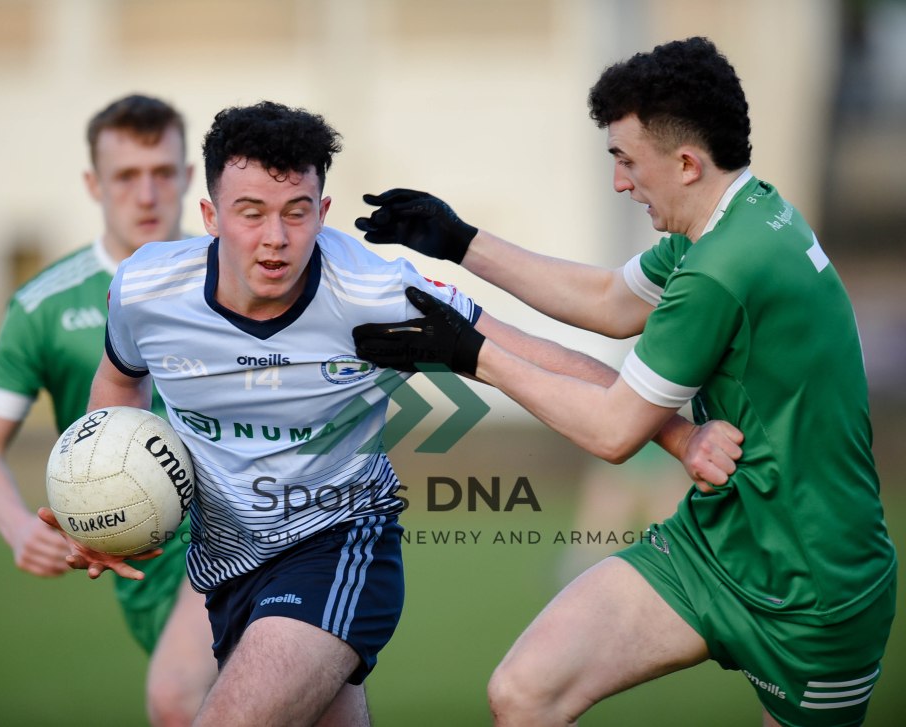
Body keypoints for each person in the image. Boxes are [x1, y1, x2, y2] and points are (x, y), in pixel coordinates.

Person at [36, 100, 740, 727]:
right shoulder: (146, 290)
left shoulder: (374, 291)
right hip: (224, 564)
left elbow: (540, 356)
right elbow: (119, 387)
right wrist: (100, 500)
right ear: (211, 216)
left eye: (296, 211)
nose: (275, 238)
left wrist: (680, 436)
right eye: (250, 213)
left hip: (338, 546)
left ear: (324, 209)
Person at [351, 36, 897, 727]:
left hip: (817, 588)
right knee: (524, 690)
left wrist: (472, 354)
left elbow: (612, 430)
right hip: (713, 547)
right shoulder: (736, 219)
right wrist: (462, 242)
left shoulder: (721, 269)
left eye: (627, 161)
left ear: (687, 163)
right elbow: (611, 301)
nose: (619, 182)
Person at [0, 94, 217, 726]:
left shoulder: (235, 275)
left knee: (183, 699)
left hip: (235, 531)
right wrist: (19, 527)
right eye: (127, 176)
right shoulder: (43, 307)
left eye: (163, 172)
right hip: (134, 549)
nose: (148, 193)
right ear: (93, 184)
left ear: (187, 178)